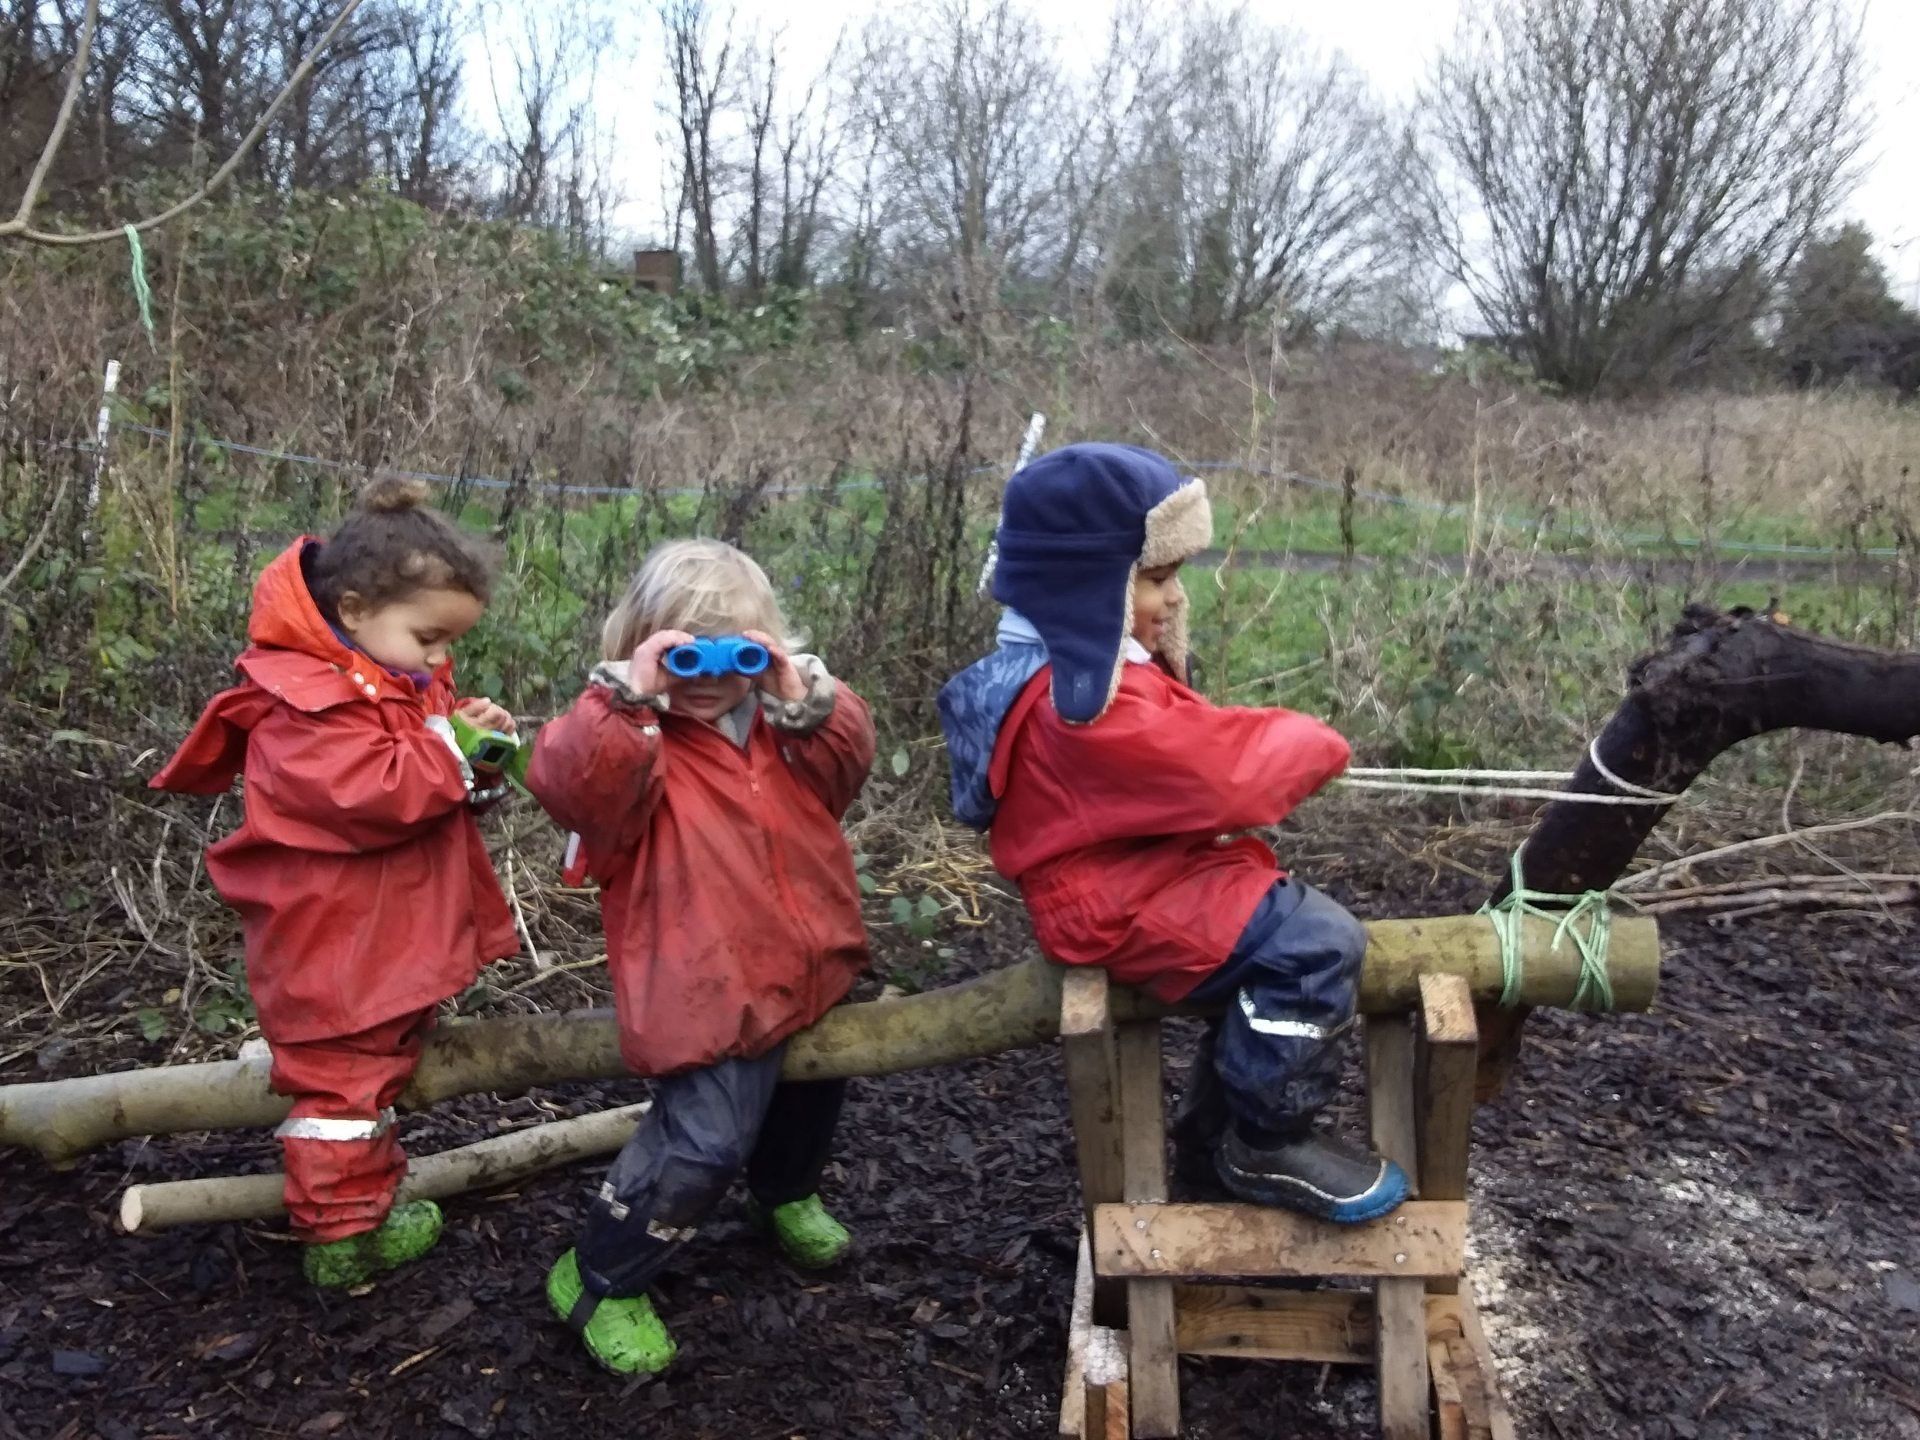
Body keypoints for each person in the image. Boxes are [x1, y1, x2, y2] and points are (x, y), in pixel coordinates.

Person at [938, 443, 1409, 1223]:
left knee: (1277, 922)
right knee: (1314, 943)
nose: (1174, 597)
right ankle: (1267, 1138)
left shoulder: (1082, 672)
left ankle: (1211, 1141)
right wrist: (1313, 744)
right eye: (1155, 577)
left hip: (1136, 876)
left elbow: (1190, 740)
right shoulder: (1078, 708)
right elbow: (1220, 773)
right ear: (1090, 584)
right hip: (1115, 902)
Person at [152, 479, 520, 1287]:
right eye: (428, 638)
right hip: (335, 943)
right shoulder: (301, 704)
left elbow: (429, 787)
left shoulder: (392, 681)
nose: (439, 660)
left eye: (448, 644)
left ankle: (366, 1204)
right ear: (353, 610)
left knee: (373, 1073)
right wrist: (448, 749)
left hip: (383, 935)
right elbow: (368, 794)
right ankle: (340, 1237)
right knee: (340, 1088)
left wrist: (478, 755)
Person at [525, 538, 876, 1377]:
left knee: (809, 1097)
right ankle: (599, 1276)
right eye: (685, 651)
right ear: (643, 646)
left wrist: (809, 698)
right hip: (704, 985)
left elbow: (848, 764)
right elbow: (571, 785)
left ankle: (782, 1194)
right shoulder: (633, 744)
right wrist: (627, 699)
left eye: (736, 650)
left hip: (811, 961)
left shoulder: (786, 733)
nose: (710, 673)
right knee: (704, 1142)